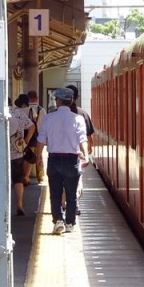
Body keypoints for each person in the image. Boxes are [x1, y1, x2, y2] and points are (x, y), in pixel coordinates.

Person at [37, 87, 88, 235]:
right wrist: (85, 155)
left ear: (57, 101)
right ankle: (71, 223)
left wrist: (38, 157)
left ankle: (58, 220)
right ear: (71, 101)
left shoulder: (48, 118)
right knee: (71, 194)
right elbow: (82, 138)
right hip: (72, 160)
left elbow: (41, 140)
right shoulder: (78, 119)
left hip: (54, 160)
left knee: (55, 193)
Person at [64, 85, 94, 215]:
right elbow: (88, 136)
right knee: (77, 180)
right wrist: (88, 151)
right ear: (77, 97)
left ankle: (63, 205)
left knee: (62, 181)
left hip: (60, 154)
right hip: (78, 154)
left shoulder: (55, 115)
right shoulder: (83, 114)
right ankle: (74, 203)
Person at [8, 97, 34, 216]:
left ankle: (4, 206)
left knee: (3, 181)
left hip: (0, 154)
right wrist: (26, 141)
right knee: (18, 179)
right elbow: (32, 126)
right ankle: (19, 204)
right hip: (17, 152)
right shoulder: (18, 112)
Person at [25, 90, 46, 183]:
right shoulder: (41, 110)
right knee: (39, 155)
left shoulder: (24, 109)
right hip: (38, 136)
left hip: (27, 136)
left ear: (28, 98)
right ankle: (40, 176)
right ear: (36, 98)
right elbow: (44, 124)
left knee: (27, 156)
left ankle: (26, 176)